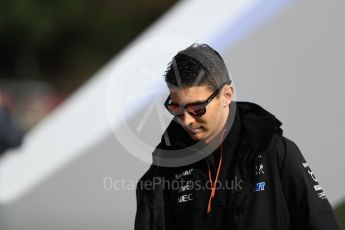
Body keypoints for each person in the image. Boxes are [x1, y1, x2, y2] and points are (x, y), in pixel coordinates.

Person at [134, 43, 341, 230]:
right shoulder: (164, 168)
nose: (186, 120)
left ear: (227, 95)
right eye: (176, 108)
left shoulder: (273, 151)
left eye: (197, 108)